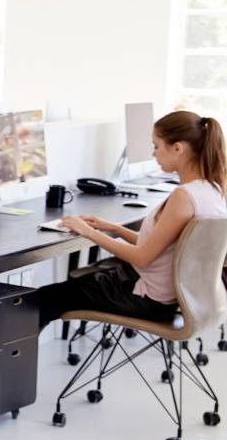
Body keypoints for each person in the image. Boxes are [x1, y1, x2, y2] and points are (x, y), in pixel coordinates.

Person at [33, 111, 227, 329]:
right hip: (172, 298)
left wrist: (88, 232)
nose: (153, 153)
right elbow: (163, 245)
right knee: (78, 283)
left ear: (177, 148)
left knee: (42, 300)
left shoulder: (184, 197)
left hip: (145, 299)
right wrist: (112, 228)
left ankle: (13, 362)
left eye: (156, 146)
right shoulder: (212, 190)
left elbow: (142, 257)